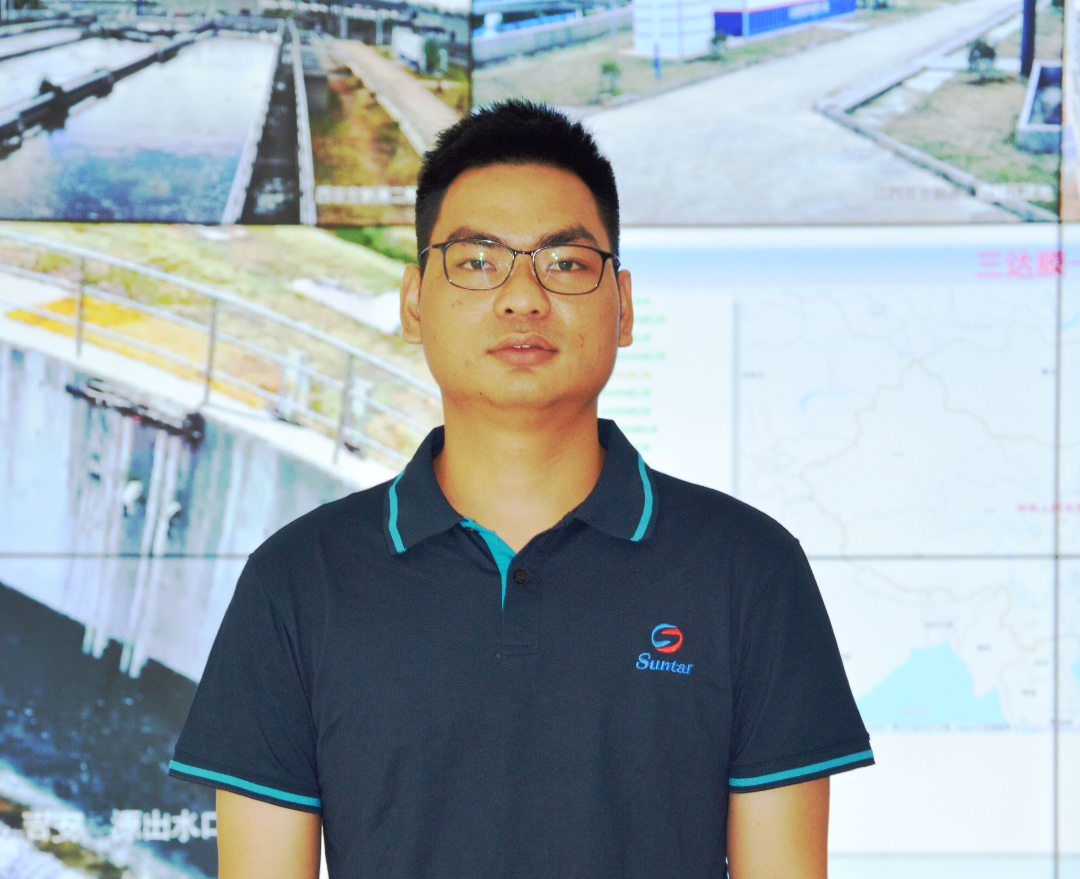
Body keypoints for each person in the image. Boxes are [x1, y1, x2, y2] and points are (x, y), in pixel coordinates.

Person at [169, 100, 873, 879]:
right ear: (413, 302)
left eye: (564, 263)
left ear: (623, 306)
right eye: (478, 261)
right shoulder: (299, 579)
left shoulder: (748, 567)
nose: (522, 297)